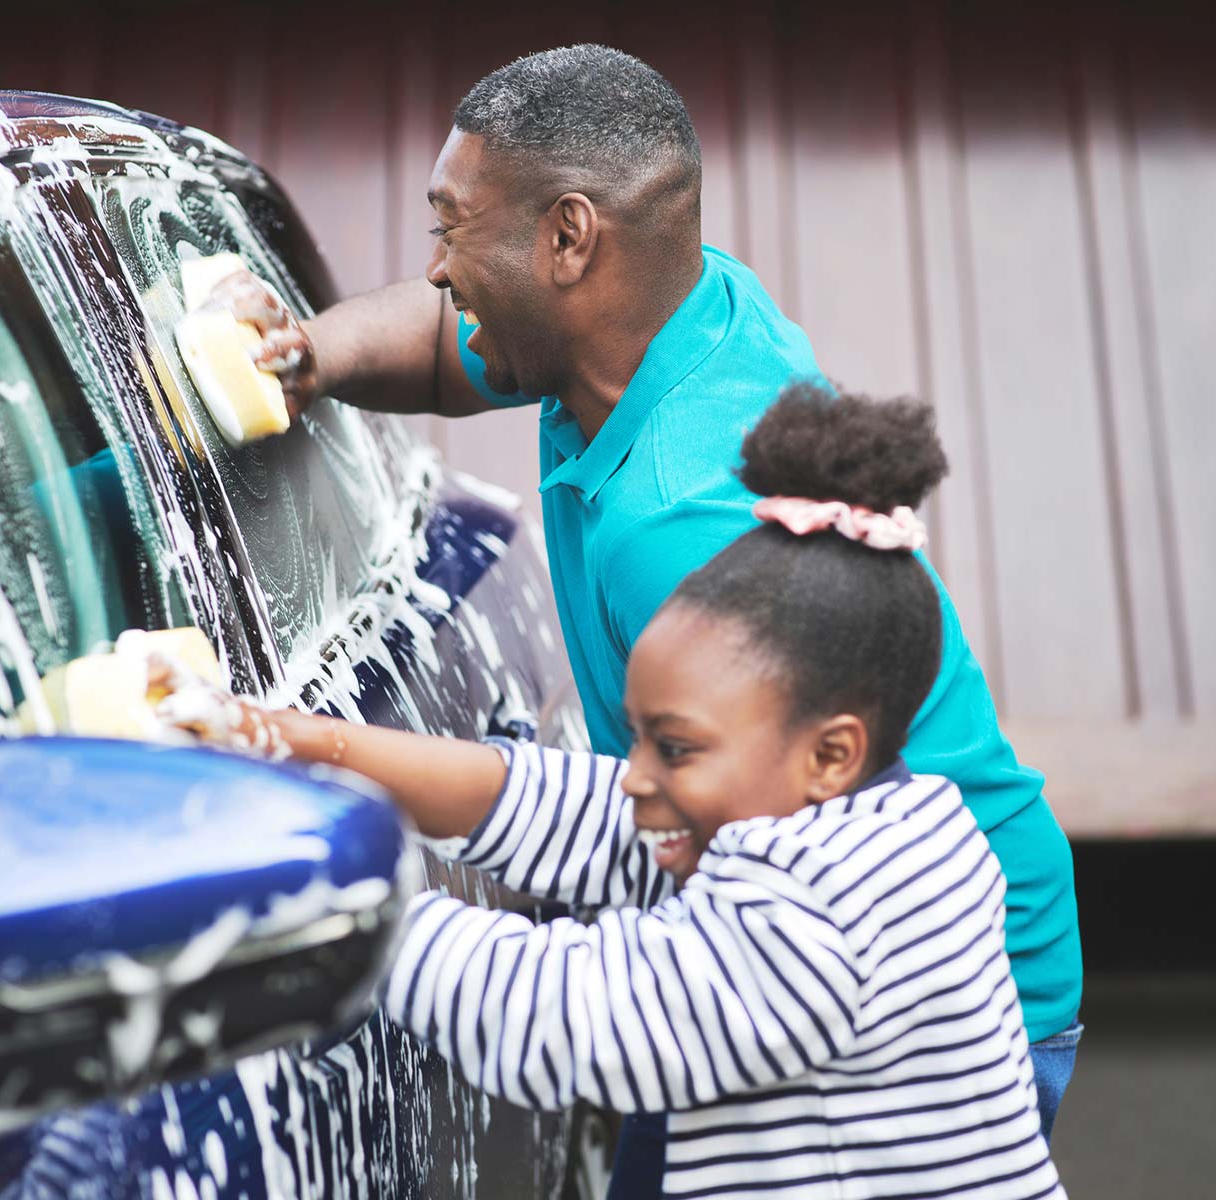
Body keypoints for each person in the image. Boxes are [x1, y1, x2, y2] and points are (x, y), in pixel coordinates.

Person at [211, 43, 1083, 1131]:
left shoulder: (682, 525)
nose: (435, 267)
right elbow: (445, 341)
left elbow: (616, 998)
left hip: (916, 1013)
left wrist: (309, 901)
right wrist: (308, 356)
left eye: (451, 228)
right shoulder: (660, 315)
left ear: (568, 238)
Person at [161, 389, 1064, 1200]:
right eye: (639, 736)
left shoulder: (816, 912)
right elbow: (562, 806)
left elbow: (561, 1013)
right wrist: (308, 742)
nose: (637, 773)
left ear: (830, 754)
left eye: (674, 748)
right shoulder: (893, 817)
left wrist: (321, 890)